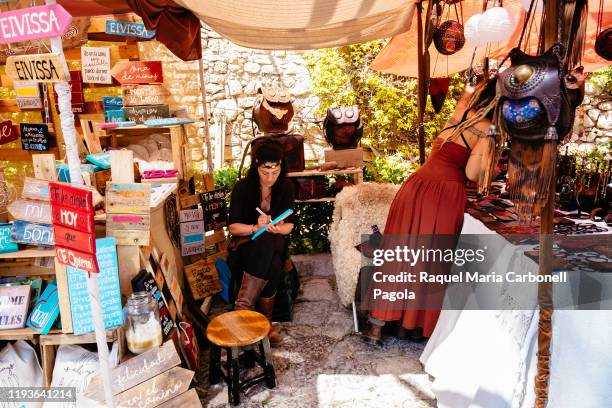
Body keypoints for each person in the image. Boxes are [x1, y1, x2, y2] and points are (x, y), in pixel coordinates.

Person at [363, 78, 499, 342]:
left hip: (415, 186)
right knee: (430, 261)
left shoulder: (462, 114)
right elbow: (472, 173)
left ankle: (376, 326)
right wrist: (491, 164)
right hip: (444, 195)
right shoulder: (489, 131)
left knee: (400, 255)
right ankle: (413, 324)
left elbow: (464, 96)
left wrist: (472, 85)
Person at [228, 139, 295, 344]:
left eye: (275, 173)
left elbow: (290, 225)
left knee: (269, 238)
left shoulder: (286, 186)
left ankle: (243, 309)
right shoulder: (242, 188)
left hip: (274, 242)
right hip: (246, 246)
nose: (270, 178)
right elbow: (233, 228)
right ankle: (265, 322)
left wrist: (276, 228)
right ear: (255, 167)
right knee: (273, 262)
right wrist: (256, 228)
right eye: (265, 172)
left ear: (281, 168)